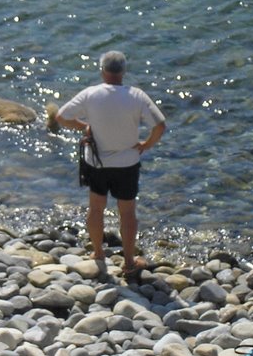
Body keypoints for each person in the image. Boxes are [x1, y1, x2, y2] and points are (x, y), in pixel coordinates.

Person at [46, 50, 166, 280]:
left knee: (96, 207)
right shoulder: (137, 95)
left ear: (102, 70)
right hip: (127, 163)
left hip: (96, 162)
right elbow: (160, 125)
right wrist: (146, 145)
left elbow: (61, 117)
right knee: (128, 212)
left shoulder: (91, 94)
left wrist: (85, 127)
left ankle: (98, 253)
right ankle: (129, 262)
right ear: (123, 71)